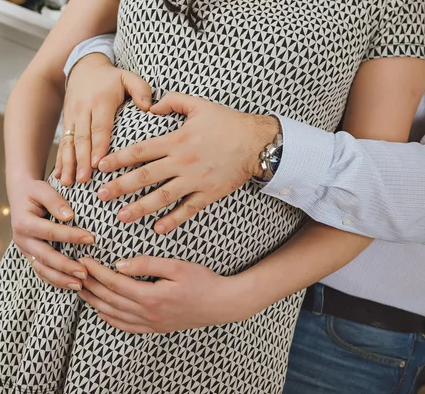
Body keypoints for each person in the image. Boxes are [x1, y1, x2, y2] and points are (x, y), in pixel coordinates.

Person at [0, 0, 425, 393]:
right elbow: (45, 76)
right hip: (47, 281)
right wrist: (20, 190)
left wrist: (234, 300)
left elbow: (365, 202)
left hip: (206, 326)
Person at [57, 36, 425, 393]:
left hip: (351, 318)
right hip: (114, 296)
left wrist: (262, 145)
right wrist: (89, 57)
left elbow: (380, 195)